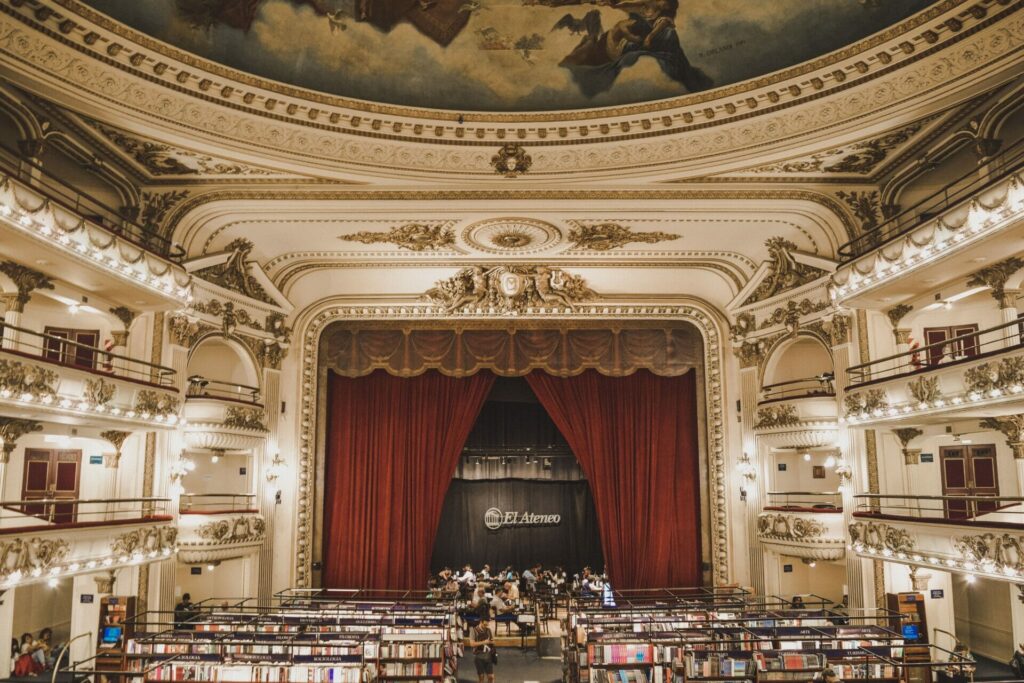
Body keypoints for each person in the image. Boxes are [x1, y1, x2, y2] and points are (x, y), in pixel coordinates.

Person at [469, 605, 495, 683]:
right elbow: (472, 644)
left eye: (487, 625)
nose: (485, 626)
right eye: (484, 625)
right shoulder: (473, 631)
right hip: (478, 657)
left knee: (491, 677)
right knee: (481, 677)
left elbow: (492, 641)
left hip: (488, 656)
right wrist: (484, 642)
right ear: (480, 622)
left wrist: (491, 642)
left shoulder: (488, 630)